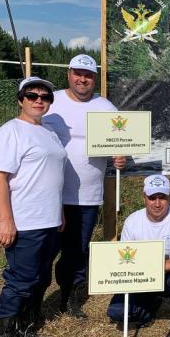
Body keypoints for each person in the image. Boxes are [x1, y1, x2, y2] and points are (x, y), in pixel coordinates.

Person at [42, 54, 126, 319]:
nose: (82, 79)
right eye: (78, 73)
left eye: (88, 75)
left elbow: (121, 144)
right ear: (69, 74)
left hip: (88, 196)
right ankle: (33, 301)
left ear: (94, 78)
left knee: (76, 250)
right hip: (50, 196)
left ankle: (69, 298)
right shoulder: (50, 103)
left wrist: (121, 156)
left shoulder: (106, 108)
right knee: (45, 250)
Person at [0, 76, 67, 337]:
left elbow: (52, 176)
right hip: (25, 221)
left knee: (41, 277)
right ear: (20, 100)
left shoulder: (49, 132)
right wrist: (6, 219)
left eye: (44, 97)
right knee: (20, 279)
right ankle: (4, 335)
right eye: (31, 95)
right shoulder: (11, 131)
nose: (38, 100)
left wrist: (58, 212)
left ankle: (26, 327)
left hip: (49, 220)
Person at [106, 175, 170, 337]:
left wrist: (157, 266)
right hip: (141, 278)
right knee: (117, 312)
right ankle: (150, 306)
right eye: (152, 197)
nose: (157, 203)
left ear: (169, 198)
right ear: (144, 197)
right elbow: (122, 259)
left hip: (169, 274)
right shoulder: (132, 221)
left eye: (162, 198)